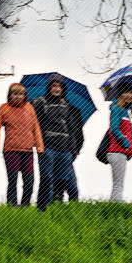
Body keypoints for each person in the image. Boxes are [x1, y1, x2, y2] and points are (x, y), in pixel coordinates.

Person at [33, 77, 83, 209]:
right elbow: (35, 125)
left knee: (61, 182)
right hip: (48, 148)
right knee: (46, 181)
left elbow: (73, 130)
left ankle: (56, 210)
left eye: (60, 86)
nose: (57, 89)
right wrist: (40, 145)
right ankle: (43, 210)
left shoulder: (67, 106)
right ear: (49, 87)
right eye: (54, 85)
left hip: (65, 150)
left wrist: (73, 151)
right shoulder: (40, 103)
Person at [0, 82, 44, 206]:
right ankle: (12, 206)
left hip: (28, 150)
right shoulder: (4, 108)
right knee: (13, 180)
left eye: (21, 94)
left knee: (29, 181)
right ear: (10, 95)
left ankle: (25, 206)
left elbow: (36, 128)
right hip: (11, 150)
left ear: (25, 96)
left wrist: (40, 146)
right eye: (15, 94)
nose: (18, 96)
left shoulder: (29, 108)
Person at [102, 88, 132, 201]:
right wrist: (124, 141)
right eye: (125, 92)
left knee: (118, 183)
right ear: (120, 95)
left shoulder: (125, 111)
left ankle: (115, 205)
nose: (129, 95)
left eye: (130, 92)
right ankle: (116, 207)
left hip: (121, 152)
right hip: (117, 151)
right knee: (118, 184)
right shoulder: (117, 109)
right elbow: (114, 128)